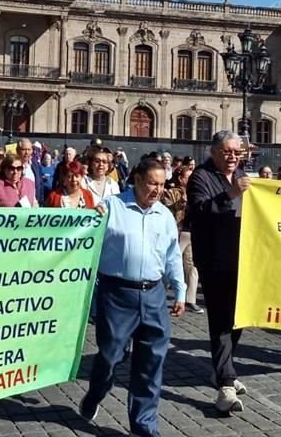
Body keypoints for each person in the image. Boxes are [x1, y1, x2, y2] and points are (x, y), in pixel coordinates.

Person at [78, 158, 185, 437]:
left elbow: (173, 256)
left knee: (151, 363)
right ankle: (96, 393)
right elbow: (83, 234)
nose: (157, 190)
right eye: (152, 183)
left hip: (154, 295)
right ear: (136, 180)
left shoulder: (164, 215)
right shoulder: (113, 206)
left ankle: (144, 425)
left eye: (162, 185)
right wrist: (91, 216)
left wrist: (181, 291)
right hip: (116, 294)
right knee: (110, 357)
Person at [187, 131, 250, 413]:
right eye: (227, 152)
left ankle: (221, 368)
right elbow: (200, 211)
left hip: (242, 258)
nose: (233, 157)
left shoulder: (243, 174)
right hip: (214, 259)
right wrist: (231, 194)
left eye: (237, 152)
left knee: (239, 318)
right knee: (221, 319)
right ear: (214, 152)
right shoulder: (200, 176)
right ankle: (225, 382)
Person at [162, 164, 202, 314]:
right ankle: (161, 293)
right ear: (180, 178)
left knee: (192, 266)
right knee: (172, 262)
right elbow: (166, 206)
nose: (192, 180)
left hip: (191, 231)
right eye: (188, 177)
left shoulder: (197, 191)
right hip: (177, 231)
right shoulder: (172, 192)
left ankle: (190, 299)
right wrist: (181, 203)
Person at [17, 138, 45, 205]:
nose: (26, 152)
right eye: (24, 149)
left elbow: (40, 185)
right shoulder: (13, 166)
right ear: (18, 151)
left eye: (29, 150)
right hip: (17, 205)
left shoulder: (36, 166)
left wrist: (40, 202)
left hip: (34, 204)